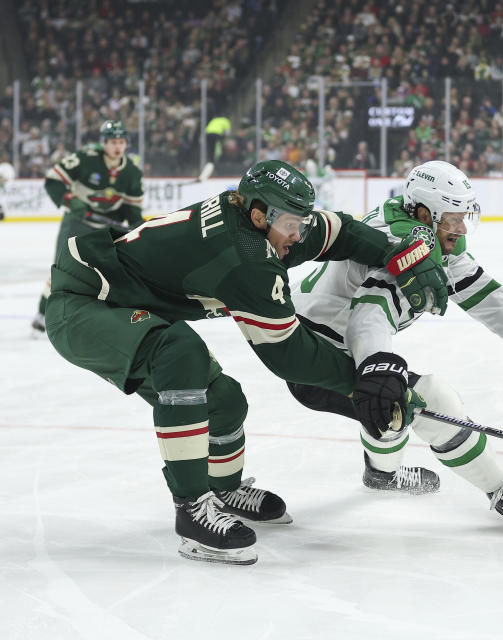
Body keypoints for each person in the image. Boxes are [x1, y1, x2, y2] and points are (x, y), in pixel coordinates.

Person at [43, 160, 450, 565]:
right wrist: (361, 382)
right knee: (179, 352)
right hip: (84, 304)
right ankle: (191, 510)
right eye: (293, 225)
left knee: (225, 401)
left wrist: (399, 255)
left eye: (301, 222)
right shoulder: (246, 256)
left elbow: (338, 229)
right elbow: (289, 353)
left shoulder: (264, 225)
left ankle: (223, 490)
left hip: (126, 297)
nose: (300, 234)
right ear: (259, 216)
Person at [288, 160, 503, 533]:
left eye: (464, 217)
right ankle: (499, 487)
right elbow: (370, 314)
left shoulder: (424, 233)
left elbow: (477, 288)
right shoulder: (403, 246)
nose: (460, 228)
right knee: (427, 398)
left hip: (336, 341)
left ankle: (381, 476)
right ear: (425, 212)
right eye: (452, 218)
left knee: (392, 403)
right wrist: (378, 366)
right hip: (312, 351)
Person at [33, 120, 144, 334]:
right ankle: (42, 313)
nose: (117, 146)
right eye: (113, 142)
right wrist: (70, 200)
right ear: (104, 143)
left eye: (121, 142)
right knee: (62, 269)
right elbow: (53, 179)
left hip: (105, 231)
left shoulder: (132, 173)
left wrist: (138, 228)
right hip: (77, 223)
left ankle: (97, 317)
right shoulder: (85, 158)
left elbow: (132, 210)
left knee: (106, 274)